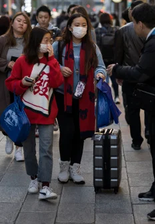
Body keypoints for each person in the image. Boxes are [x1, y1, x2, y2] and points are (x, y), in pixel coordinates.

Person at [107, 3, 155, 221]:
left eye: (134, 23)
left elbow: (142, 71)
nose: (133, 27)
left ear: (140, 23)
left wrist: (117, 69)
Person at [5, 27, 63, 200]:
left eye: (49, 40)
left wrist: (52, 59)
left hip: (46, 112)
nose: (47, 44)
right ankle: (33, 178)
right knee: (29, 149)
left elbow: (57, 81)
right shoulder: (23, 61)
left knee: (46, 149)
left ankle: (45, 185)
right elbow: (11, 83)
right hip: (26, 114)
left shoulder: (51, 61)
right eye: (44, 40)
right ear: (35, 41)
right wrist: (22, 83)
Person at [53, 13, 106, 184]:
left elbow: (101, 66)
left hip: (84, 97)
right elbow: (47, 63)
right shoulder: (59, 45)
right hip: (62, 95)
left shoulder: (92, 47)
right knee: (67, 131)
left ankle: (75, 168)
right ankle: (63, 167)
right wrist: (60, 68)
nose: (80, 28)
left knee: (80, 132)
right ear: (69, 27)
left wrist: (100, 73)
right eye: (77, 24)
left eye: (84, 25)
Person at [0, 12, 32, 162]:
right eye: (18, 21)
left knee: (21, 116)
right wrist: (7, 64)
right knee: (7, 113)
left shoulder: (30, 41)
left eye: (24, 22)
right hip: (6, 83)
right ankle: (8, 136)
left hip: (24, 86)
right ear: (12, 23)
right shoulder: (3, 40)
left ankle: (19, 148)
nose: (21, 24)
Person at [114, 0, 148, 150]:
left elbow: (119, 54)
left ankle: (136, 139)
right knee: (149, 106)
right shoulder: (150, 29)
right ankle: (148, 132)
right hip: (148, 75)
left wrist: (118, 72)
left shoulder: (122, 31)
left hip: (130, 74)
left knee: (132, 110)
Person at [95, 12, 119, 103]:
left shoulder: (98, 30)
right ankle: (116, 96)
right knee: (114, 78)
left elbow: (96, 45)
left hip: (102, 58)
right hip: (113, 58)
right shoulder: (116, 30)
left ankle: (104, 97)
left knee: (102, 77)